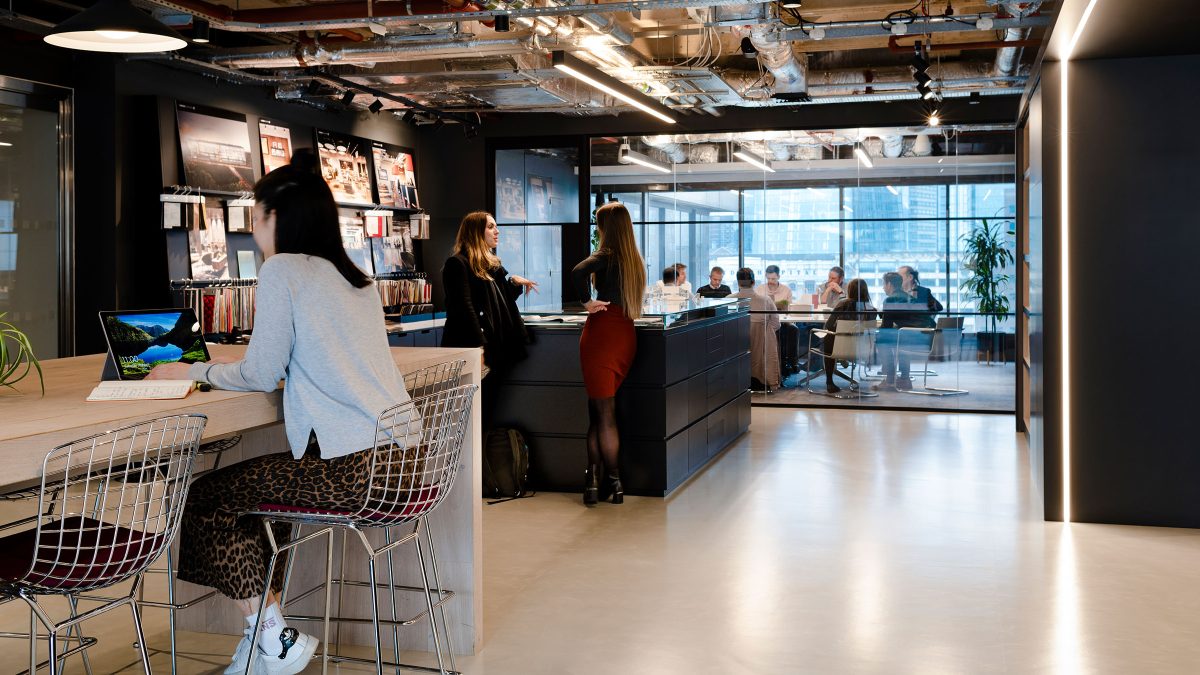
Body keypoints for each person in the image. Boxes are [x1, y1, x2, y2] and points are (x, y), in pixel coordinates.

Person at [146, 150, 412, 675]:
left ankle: (274, 637)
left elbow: (260, 375)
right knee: (261, 505)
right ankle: (266, 642)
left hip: (351, 470)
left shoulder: (282, 271)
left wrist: (192, 371)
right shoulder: (356, 278)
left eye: (257, 213)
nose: (253, 225)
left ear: (277, 218)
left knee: (204, 499)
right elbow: (320, 358)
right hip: (400, 463)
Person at [571, 202, 647, 506]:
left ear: (607, 228)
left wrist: (586, 302)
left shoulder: (606, 254)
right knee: (600, 410)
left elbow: (578, 271)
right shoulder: (633, 260)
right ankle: (602, 482)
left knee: (602, 413)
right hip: (624, 335)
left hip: (601, 335)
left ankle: (606, 481)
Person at [441, 211, 538, 430]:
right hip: (474, 350)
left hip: (493, 350)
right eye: (491, 226)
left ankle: (481, 463)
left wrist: (514, 283)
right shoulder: (458, 264)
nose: (497, 231)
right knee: (470, 415)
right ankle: (472, 464)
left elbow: (497, 305)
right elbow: (464, 308)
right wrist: (479, 347)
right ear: (476, 232)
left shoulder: (487, 265)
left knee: (485, 413)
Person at [875, 271, 930, 391]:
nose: (883, 287)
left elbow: (886, 327)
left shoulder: (890, 300)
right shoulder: (910, 297)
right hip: (923, 337)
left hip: (911, 338)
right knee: (901, 337)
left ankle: (889, 380)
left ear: (889, 284)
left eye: (884, 284)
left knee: (880, 338)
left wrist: (874, 330)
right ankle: (904, 378)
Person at [820, 278, 876, 394]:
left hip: (839, 348)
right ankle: (843, 358)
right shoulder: (871, 309)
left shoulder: (842, 304)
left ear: (850, 291)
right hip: (861, 349)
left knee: (829, 337)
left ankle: (829, 382)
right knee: (835, 337)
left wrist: (842, 331)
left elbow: (829, 325)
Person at [732, 267, 780, 390]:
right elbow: (776, 324)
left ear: (738, 282)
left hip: (734, 349)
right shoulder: (766, 300)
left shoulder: (729, 300)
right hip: (762, 350)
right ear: (753, 282)